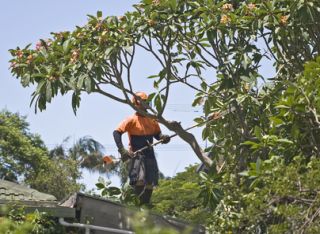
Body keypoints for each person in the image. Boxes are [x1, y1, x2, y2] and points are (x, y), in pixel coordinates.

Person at [113, 91, 170, 205]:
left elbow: (157, 134)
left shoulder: (152, 119)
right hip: (136, 154)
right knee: (139, 180)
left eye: (147, 101)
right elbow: (116, 132)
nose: (146, 103)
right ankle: (135, 206)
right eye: (144, 101)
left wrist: (163, 137)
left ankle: (145, 207)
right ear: (137, 104)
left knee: (150, 182)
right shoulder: (131, 119)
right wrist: (122, 150)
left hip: (149, 154)